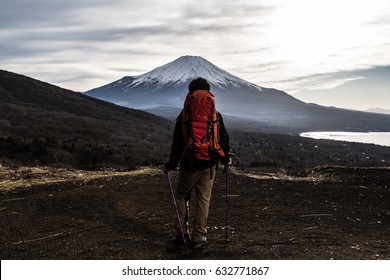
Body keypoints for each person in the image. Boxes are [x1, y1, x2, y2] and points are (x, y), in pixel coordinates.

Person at [165, 77, 231, 250]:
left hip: (189, 164)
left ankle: (182, 234)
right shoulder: (215, 115)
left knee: (181, 196)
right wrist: (226, 159)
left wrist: (171, 164)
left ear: (190, 93)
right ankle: (199, 238)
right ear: (208, 92)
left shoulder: (185, 115)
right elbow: (223, 139)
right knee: (203, 201)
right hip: (209, 165)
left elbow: (177, 143)